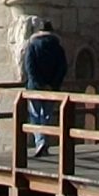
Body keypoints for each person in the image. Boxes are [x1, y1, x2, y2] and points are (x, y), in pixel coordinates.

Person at [19, 14, 67, 157]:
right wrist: (52, 84)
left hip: (34, 88)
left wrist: (38, 83)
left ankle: (40, 141)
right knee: (47, 115)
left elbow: (30, 67)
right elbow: (62, 67)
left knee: (35, 114)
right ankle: (44, 141)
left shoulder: (32, 46)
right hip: (52, 88)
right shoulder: (57, 47)